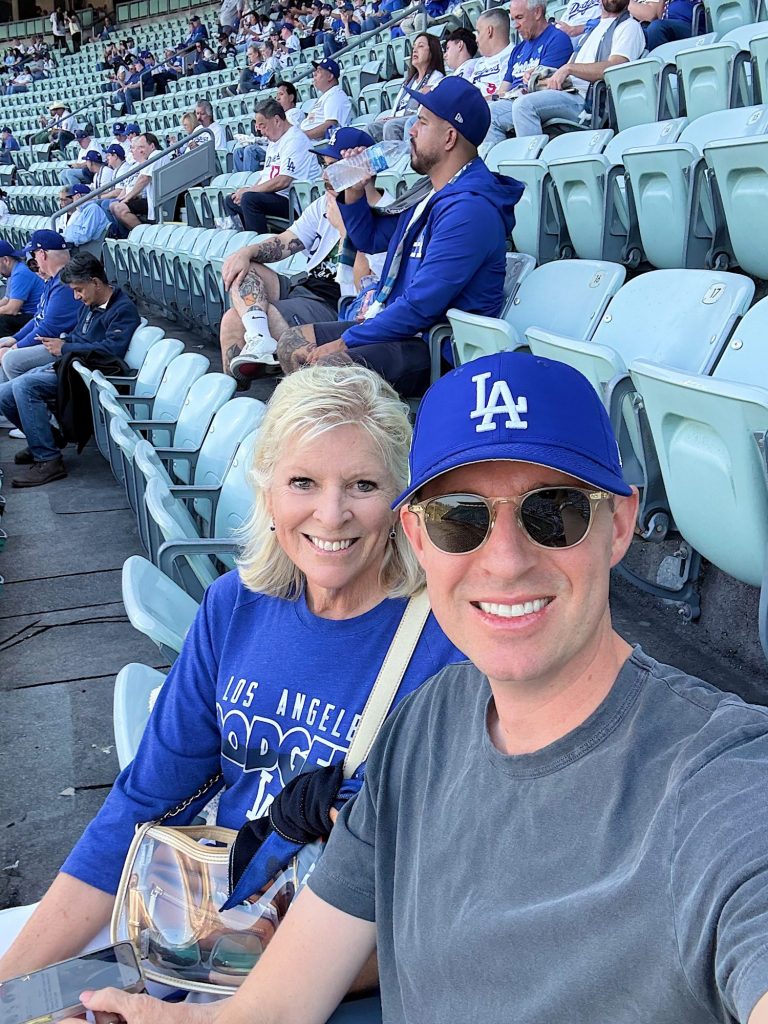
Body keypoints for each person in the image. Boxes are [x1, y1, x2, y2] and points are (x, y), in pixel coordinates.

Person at [0, 363, 461, 979]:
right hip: (223, 924)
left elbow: (453, 892)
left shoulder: (453, 642)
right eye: (302, 482)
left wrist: (266, 978)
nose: (331, 514)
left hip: (351, 964)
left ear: (405, 500)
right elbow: (147, 799)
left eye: (363, 485)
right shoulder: (233, 606)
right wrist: (13, 984)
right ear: (266, 489)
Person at [267, 77, 523, 398]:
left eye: (422, 121)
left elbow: (421, 306)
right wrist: (356, 190)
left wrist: (345, 341)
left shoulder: (470, 209)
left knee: (324, 371)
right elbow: (370, 239)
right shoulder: (431, 190)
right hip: (398, 328)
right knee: (291, 343)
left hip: (432, 345)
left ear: (449, 138)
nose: (411, 130)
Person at [219, 127, 390, 380]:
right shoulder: (324, 203)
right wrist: (247, 251)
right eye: (324, 164)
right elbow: (287, 241)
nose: (325, 174)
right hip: (307, 286)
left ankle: (275, 401)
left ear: (361, 171)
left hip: (337, 302)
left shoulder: (389, 213)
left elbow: (366, 288)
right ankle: (232, 404)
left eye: (333, 166)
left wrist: (345, 227)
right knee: (242, 273)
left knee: (236, 321)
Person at [0, 252, 139, 487]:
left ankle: (49, 460)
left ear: (95, 283)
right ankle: (46, 441)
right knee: (3, 395)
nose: (76, 296)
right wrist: (64, 345)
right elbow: (77, 336)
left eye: (79, 289)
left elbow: (111, 350)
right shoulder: (90, 303)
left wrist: (65, 348)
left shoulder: (122, 309)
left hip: (89, 376)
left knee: (25, 387)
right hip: (70, 367)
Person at [512, 0, 645, 135]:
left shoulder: (629, 26)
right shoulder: (593, 29)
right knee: (498, 112)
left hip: (589, 103)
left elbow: (615, 67)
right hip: (569, 92)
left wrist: (569, 68)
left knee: (524, 106)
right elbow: (568, 72)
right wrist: (538, 73)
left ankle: (531, 156)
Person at [479, 0, 573, 157]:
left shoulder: (557, 39)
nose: (515, 25)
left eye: (520, 18)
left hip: (535, 100)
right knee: (485, 110)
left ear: (537, 13)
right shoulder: (518, 50)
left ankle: (528, 167)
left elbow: (542, 85)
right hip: (513, 99)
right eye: (513, 19)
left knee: (512, 108)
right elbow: (503, 89)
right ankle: (494, 168)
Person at [223, 98, 320, 233]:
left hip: (292, 200)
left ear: (276, 120)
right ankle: (244, 238)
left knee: (249, 199)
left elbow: (283, 181)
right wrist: (248, 189)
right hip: (274, 196)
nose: (261, 132)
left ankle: (258, 247)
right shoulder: (274, 142)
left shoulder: (295, 140)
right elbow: (266, 177)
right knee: (231, 199)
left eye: (263, 126)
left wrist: (250, 191)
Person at [0, 231, 79, 385]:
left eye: (34, 255)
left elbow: (49, 328)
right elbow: (39, 317)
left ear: (42, 254)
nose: (34, 260)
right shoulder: (53, 280)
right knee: (3, 343)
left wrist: (16, 347)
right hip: (50, 338)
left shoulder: (65, 282)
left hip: (62, 344)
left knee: (10, 359)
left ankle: (14, 402)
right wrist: (14, 339)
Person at [368, 32, 444, 142]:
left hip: (414, 120)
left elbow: (425, 112)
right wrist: (391, 117)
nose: (415, 50)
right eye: (414, 47)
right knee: (371, 128)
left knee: (391, 126)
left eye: (421, 46)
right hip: (396, 120)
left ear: (432, 52)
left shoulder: (436, 77)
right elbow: (396, 108)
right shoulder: (409, 81)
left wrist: (394, 119)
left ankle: (399, 159)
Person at [109, 132, 168, 233]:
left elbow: (144, 179)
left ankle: (144, 234)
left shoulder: (157, 154)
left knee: (119, 208)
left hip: (160, 201)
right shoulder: (149, 158)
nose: (140, 151)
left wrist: (128, 198)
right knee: (114, 206)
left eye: (142, 147)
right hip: (154, 200)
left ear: (152, 146)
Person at [0, 240, 45, 336]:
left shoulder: (20, 273)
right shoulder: (13, 272)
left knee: (2, 321)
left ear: (5, 260)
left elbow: (12, 309)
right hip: (26, 314)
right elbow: (6, 299)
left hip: (36, 317)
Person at [300, 58, 352, 140]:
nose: (314, 74)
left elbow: (330, 126)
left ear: (330, 76)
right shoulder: (328, 95)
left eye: (319, 71)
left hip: (318, 146)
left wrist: (302, 136)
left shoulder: (335, 95)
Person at [468, 7, 515, 99]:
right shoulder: (479, 63)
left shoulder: (513, 57)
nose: (476, 40)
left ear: (489, 31)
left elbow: (505, 95)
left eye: (478, 32)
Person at [629, 0, 696, 47]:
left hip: (692, 24)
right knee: (635, 34)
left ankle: (661, 65)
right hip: (669, 23)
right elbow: (659, 17)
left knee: (656, 27)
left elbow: (652, 16)